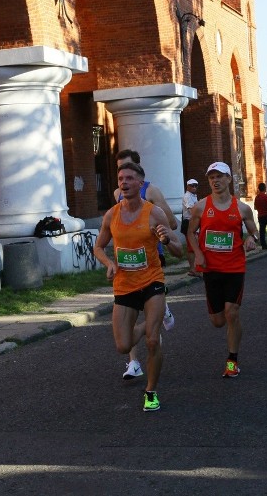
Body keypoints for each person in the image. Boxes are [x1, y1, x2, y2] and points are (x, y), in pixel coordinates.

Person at [93, 162, 183, 411]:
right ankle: (147, 324)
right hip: (124, 285)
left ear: (140, 183)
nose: (124, 182)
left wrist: (166, 238)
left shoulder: (154, 213)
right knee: (123, 345)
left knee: (153, 341)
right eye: (120, 178)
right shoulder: (111, 214)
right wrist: (108, 263)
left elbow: (178, 250)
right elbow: (98, 246)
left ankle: (151, 392)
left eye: (130, 178)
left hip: (152, 281)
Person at [187, 162, 259, 378]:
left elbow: (254, 231)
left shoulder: (241, 208)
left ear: (229, 179)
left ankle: (232, 360)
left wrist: (251, 239)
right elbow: (190, 233)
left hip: (235, 267)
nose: (215, 181)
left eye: (219, 176)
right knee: (218, 321)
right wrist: (198, 254)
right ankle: (229, 331)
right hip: (211, 269)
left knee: (232, 312)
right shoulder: (200, 206)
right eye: (211, 178)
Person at [112, 149, 178, 380]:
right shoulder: (116, 195)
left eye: (129, 171)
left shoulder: (152, 191)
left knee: (151, 331)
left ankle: (160, 312)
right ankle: (133, 363)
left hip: (152, 257)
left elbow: (173, 223)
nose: (124, 179)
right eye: (120, 173)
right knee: (127, 328)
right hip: (127, 268)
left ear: (139, 172)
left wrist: (158, 231)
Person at [181, 178, 200, 276]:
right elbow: (192, 211)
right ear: (187, 187)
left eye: (196, 185)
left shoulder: (193, 196)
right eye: (192, 185)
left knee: (195, 244)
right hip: (188, 222)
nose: (194, 187)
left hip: (193, 222)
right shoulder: (187, 196)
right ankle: (192, 269)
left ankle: (196, 267)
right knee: (191, 246)